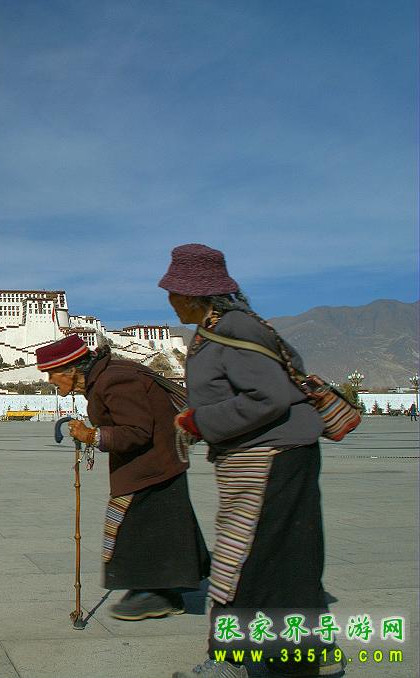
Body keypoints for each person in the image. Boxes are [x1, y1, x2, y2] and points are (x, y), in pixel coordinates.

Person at [160, 244, 342, 678]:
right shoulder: (219, 328)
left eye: (174, 292)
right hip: (271, 457)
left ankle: (233, 661)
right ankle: (317, 655)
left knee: (245, 559)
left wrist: (199, 420)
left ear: (195, 294)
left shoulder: (235, 327)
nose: (169, 301)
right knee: (284, 557)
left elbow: (269, 397)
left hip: (273, 459)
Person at [36, 334, 210, 621]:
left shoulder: (113, 380)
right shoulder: (105, 377)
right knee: (161, 529)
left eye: (51, 374)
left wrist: (93, 436)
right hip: (155, 463)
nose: (50, 381)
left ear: (71, 370)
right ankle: (165, 592)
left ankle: (152, 594)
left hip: (154, 466)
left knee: (136, 530)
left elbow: (137, 431)